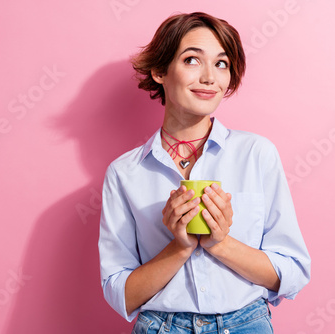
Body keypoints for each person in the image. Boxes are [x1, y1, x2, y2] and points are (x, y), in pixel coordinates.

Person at [98, 12, 311, 333]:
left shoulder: (256, 154)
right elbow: (121, 295)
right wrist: (179, 246)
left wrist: (220, 243)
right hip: (161, 327)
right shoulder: (124, 172)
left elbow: (292, 273)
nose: (210, 77)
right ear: (159, 71)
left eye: (222, 63)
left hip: (246, 324)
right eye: (192, 60)